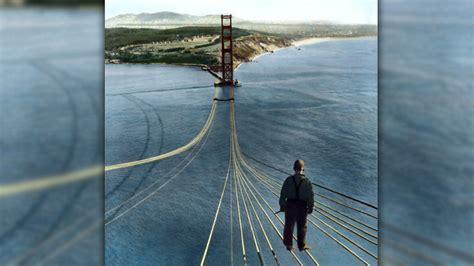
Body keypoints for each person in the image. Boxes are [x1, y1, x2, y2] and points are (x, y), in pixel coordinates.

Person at [279, 159, 314, 251]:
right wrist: (310, 207)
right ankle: (301, 245)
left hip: (290, 206)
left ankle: (288, 245)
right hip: (301, 207)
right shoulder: (307, 182)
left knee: (288, 225)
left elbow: (283, 194)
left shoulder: (288, 180)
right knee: (302, 226)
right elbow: (310, 196)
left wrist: (282, 205)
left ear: (294, 168)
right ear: (303, 169)